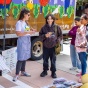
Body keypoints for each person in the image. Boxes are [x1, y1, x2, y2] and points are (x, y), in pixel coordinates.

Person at [13, 8, 36, 81]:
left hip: (27, 41)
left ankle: (23, 71)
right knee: (20, 58)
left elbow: (26, 31)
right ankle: (16, 74)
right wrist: (28, 32)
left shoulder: (26, 23)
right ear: (24, 14)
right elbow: (18, 33)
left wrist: (31, 31)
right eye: (28, 15)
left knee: (25, 57)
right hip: (22, 41)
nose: (29, 16)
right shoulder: (19, 23)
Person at [39, 14, 62, 78]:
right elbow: (40, 36)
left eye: (51, 19)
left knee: (53, 60)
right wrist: (44, 36)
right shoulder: (43, 28)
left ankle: (53, 72)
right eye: (48, 19)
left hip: (53, 46)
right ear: (46, 20)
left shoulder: (57, 27)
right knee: (45, 60)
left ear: (53, 20)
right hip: (46, 46)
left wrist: (57, 41)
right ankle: (45, 71)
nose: (49, 20)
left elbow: (60, 35)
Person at [75, 14, 88, 82]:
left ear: (86, 20)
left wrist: (81, 33)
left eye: (82, 19)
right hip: (79, 47)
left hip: (83, 48)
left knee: (83, 62)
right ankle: (82, 73)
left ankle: (83, 75)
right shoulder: (83, 26)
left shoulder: (86, 28)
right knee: (82, 60)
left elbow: (85, 38)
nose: (81, 20)